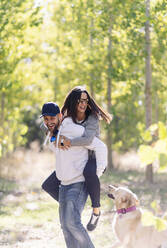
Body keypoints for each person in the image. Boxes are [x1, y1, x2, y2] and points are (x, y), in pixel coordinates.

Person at [41, 86, 112, 231]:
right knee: (48, 185)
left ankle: (96, 211)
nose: (83, 104)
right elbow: (56, 135)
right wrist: (57, 139)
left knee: (89, 174)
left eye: (85, 101)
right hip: (76, 160)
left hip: (92, 156)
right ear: (73, 102)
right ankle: (71, 205)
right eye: (79, 100)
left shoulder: (92, 117)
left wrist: (69, 142)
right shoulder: (67, 117)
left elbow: (87, 140)